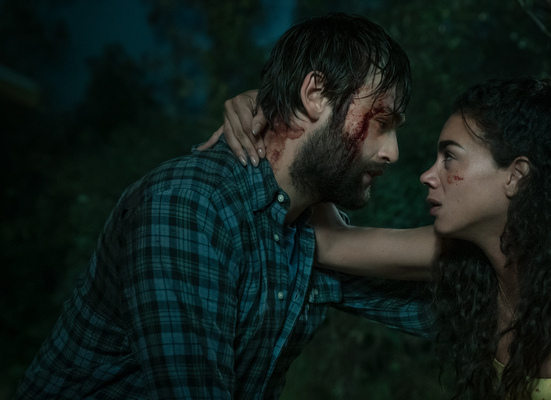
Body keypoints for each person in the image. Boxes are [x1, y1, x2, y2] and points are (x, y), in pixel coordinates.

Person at [220, 70, 551, 399]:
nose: (427, 174)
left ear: (516, 176)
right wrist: (280, 119)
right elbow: (330, 242)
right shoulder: (471, 264)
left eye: (449, 157)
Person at [14, 13, 433, 399]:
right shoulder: (189, 208)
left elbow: (449, 314)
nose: (393, 152)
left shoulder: (301, 229)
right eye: (381, 122)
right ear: (315, 95)